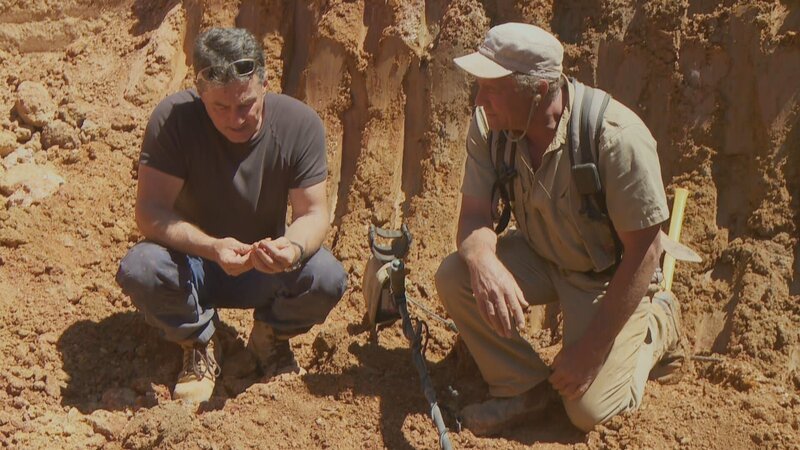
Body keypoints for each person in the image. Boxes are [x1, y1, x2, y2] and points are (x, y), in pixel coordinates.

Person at [435, 23, 684, 434]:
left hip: (605, 276)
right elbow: (475, 214)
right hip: (541, 254)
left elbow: (645, 251)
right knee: (455, 275)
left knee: (587, 411)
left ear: (538, 89)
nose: (480, 100)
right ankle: (524, 385)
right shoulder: (489, 127)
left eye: (492, 87)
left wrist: (591, 350)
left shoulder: (616, 139)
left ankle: (657, 323)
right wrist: (482, 260)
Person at [116, 28, 347, 404]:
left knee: (326, 277)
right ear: (200, 92)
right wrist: (211, 247)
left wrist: (291, 248)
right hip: (193, 266)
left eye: (246, 104)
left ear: (265, 84)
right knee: (141, 268)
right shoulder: (174, 120)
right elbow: (150, 212)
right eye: (220, 108)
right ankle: (200, 341)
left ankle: (269, 338)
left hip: (264, 264)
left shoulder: (299, 125)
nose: (235, 118)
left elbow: (315, 213)